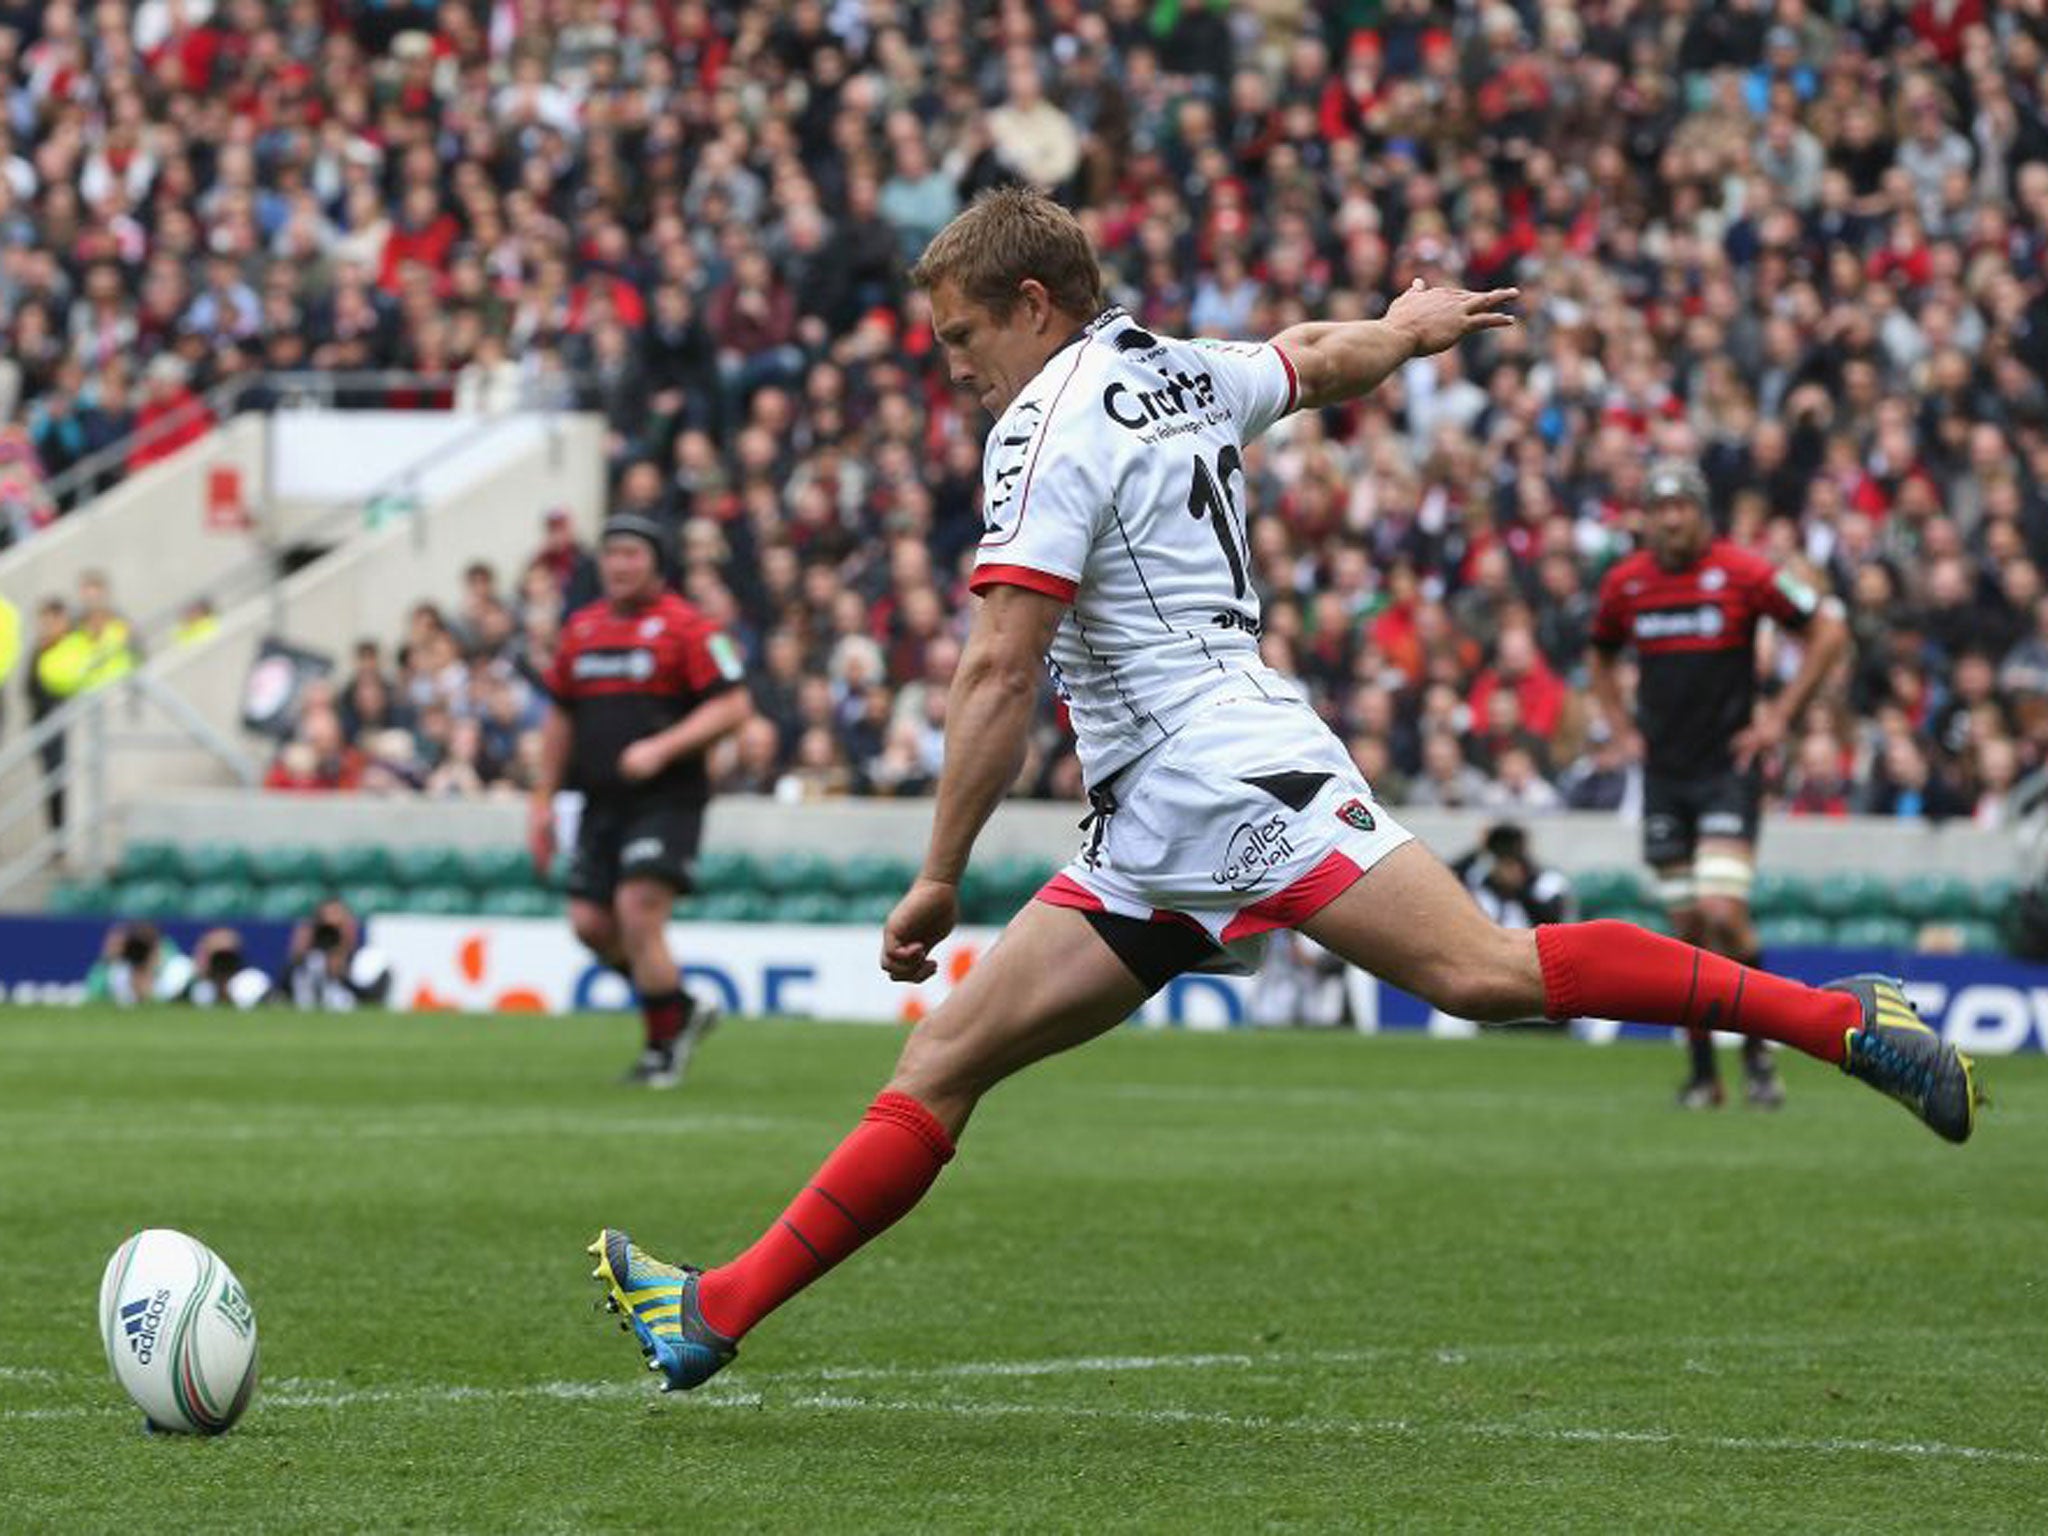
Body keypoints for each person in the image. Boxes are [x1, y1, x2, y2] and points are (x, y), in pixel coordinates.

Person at [587, 188, 1979, 1394]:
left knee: (1486, 973)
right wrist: (1412, 329)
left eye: (960, 338)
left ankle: (1843, 1020)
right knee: (943, 1063)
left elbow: (998, 671)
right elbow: (1310, 357)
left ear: (1029, 304)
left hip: (1218, 763)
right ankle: (714, 1312)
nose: (950, 369)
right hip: (1157, 814)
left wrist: (940, 868)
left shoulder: (1043, 427)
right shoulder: (1178, 366)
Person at [1587, 459, 1851, 1111]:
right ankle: (1705, 1076)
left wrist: (1781, 716)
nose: (1671, 517)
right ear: (1645, 518)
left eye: (1682, 506)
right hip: (1665, 776)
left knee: (1721, 913)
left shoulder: (1745, 571)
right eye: (1659, 506)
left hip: (1728, 769)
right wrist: (1621, 727)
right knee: (1685, 932)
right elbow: (1598, 652)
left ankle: (1761, 1056)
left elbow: (1829, 629)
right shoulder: (1625, 585)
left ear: (1703, 513)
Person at [530, 514, 754, 1087]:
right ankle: (677, 1004)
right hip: (599, 802)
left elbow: (733, 707)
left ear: (656, 563)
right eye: (611, 554)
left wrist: (662, 747)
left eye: (632, 554)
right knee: (588, 923)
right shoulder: (580, 630)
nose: (620, 565)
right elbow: (559, 719)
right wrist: (541, 802)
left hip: (667, 798)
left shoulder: (692, 629)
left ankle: (661, 1049)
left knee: (637, 911)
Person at [281, 899, 392, 1011]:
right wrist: (298, 957)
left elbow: (372, 1003)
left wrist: (342, 975)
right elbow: (282, 999)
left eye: (338, 926)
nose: (331, 935)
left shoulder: (370, 961)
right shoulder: (310, 963)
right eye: (326, 928)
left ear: (351, 926)